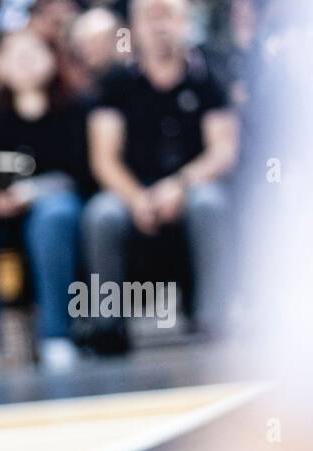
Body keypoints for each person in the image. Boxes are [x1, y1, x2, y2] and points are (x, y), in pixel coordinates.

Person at [83, 0, 239, 334]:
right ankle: (106, 326)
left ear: (185, 21)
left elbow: (223, 150)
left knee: (209, 203)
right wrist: (138, 198)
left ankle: (213, 317)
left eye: (167, 15)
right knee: (103, 215)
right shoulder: (117, 83)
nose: (159, 26)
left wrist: (179, 186)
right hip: (132, 188)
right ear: (134, 27)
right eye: (149, 17)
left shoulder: (208, 76)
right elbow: (104, 159)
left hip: (192, 183)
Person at [0, 28, 91, 375]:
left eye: (33, 52)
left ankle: (57, 334)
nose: (23, 62)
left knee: (52, 218)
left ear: (53, 58)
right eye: (14, 54)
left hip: (53, 201)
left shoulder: (75, 106)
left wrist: (30, 193)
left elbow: (83, 172)